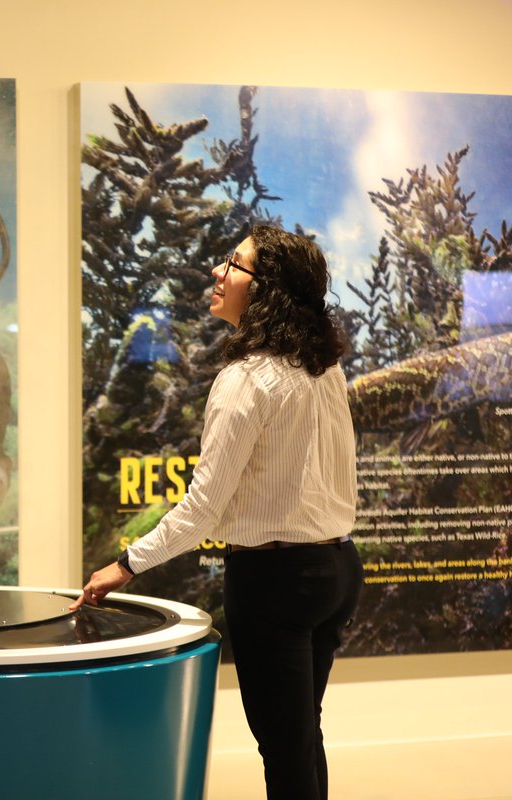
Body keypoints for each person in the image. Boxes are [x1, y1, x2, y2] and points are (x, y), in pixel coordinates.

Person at [72, 225, 363, 800]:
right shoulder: (323, 367)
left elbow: (204, 506)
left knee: (284, 751)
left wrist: (126, 564)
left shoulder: (246, 379)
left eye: (234, 264)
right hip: (335, 571)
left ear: (265, 289)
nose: (217, 272)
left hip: (273, 582)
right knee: (302, 738)